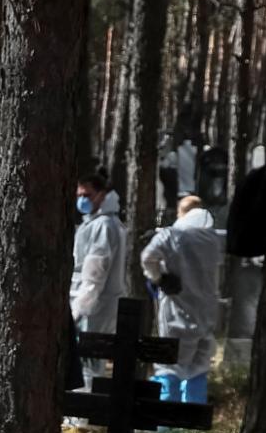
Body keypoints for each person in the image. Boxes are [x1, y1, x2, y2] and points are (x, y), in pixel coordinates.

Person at [137, 194, 224, 403]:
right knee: (198, 366)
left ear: (181, 213)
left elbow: (148, 258)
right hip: (206, 311)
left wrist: (159, 278)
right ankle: (192, 423)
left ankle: (166, 423)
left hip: (177, 308)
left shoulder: (171, 235)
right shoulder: (213, 239)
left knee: (169, 364)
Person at [69, 171, 126, 344]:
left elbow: (95, 273)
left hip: (95, 306)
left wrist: (79, 310)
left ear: (102, 195)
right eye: (79, 195)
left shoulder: (104, 226)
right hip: (89, 302)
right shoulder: (95, 223)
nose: (82, 200)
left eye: (87, 195)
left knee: (90, 359)